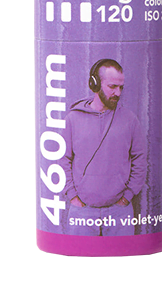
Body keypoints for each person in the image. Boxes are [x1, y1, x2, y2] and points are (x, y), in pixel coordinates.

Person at [60, 59, 147, 236]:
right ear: (95, 84)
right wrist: (72, 196)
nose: (118, 93)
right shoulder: (73, 119)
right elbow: (63, 159)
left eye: (121, 87)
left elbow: (140, 158)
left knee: (123, 255)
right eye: (112, 86)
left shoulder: (130, 120)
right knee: (79, 254)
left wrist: (128, 196)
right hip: (81, 212)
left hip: (119, 211)